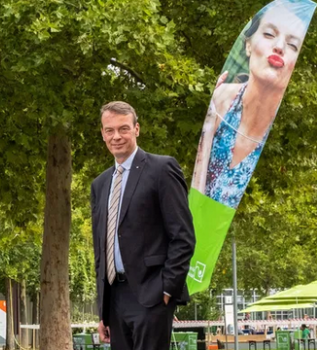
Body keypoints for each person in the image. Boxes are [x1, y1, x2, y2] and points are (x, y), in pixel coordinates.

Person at [91, 101, 196, 350]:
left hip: (152, 294)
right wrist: (102, 310)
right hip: (114, 298)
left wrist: (167, 289)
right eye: (110, 130)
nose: (116, 136)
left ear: (136, 129)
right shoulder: (100, 184)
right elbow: (100, 248)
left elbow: (183, 236)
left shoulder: (162, 169)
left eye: (123, 128)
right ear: (103, 134)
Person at [192, 0, 312, 209]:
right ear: (248, 45)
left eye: (293, 45)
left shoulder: (287, 135)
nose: (279, 47)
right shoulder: (223, 100)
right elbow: (197, 187)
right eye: (269, 34)